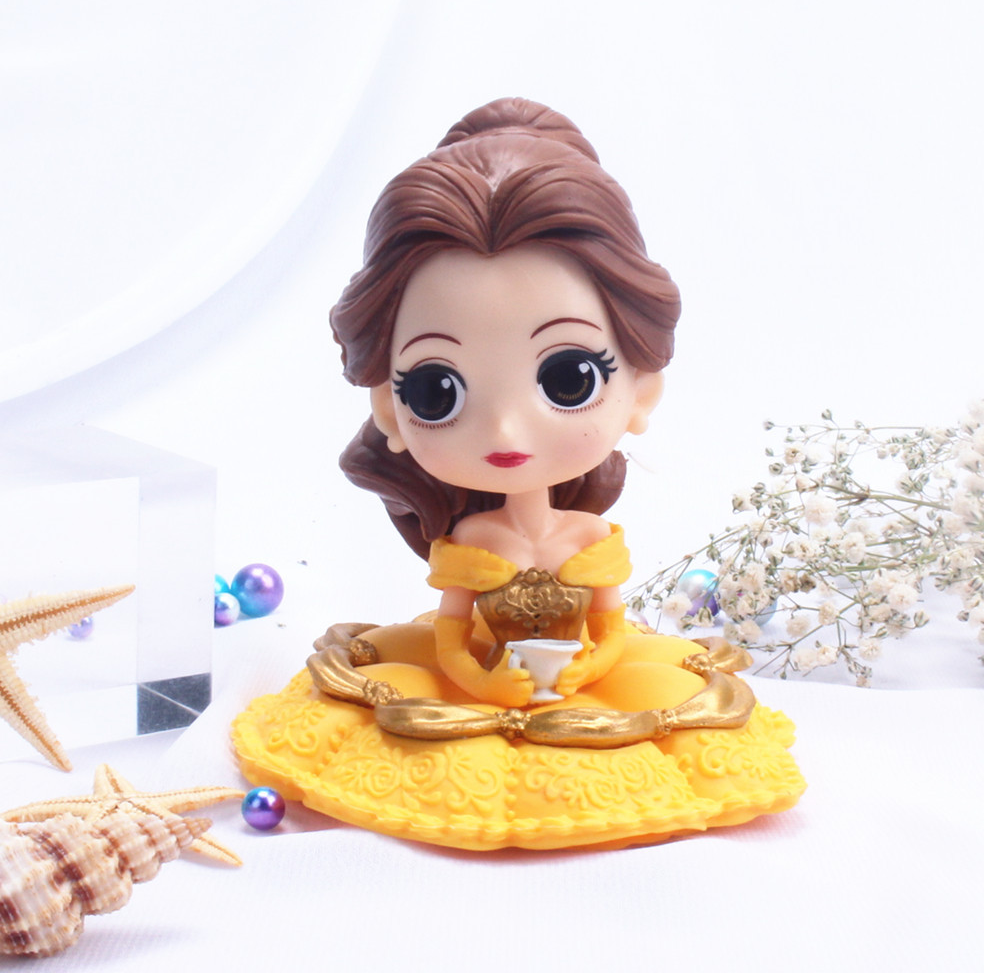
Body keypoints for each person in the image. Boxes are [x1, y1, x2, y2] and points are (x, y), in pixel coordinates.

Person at [231, 99, 804, 850]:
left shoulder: (588, 537)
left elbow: (609, 627)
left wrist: (583, 671)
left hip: (588, 688)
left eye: (568, 378)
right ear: (391, 409)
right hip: (479, 687)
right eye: (437, 390)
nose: (504, 432)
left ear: (641, 390)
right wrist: (487, 683)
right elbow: (450, 640)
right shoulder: (473, 539)